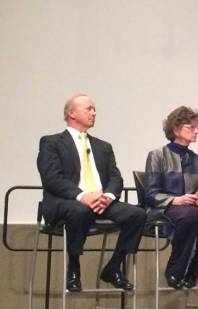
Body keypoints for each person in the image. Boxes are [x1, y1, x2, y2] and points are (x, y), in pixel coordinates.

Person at [36, 94, 146, 292]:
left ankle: (114, 267)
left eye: (94, 109)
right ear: (72, 113)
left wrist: (108, 197)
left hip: (100, 201)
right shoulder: (51, 142)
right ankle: (74, 266)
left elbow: (115, 178)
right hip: (67, 201)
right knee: (80, 211)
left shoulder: (103, 146)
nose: (94, 113)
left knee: (137, 214)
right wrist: (82, 196)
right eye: (89, 108)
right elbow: (52, 178)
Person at [144, 106, 198, 289]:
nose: (196, 131)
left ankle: (194, 271)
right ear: (176, 129)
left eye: (197, 128)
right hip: (165, 208)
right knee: (191, 216)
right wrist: (175, 200)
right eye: (191, 127)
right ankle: (175, 270)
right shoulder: (157, 155)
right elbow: (151, 192)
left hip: (192, 208)